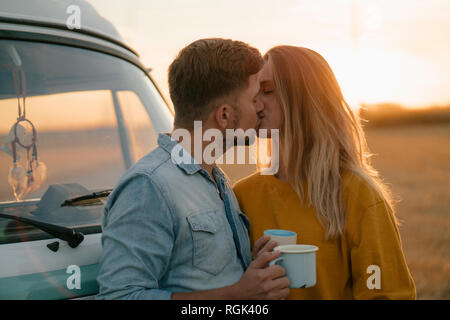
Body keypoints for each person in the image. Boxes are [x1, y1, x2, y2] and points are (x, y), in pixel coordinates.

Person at [96, 38, 290, 300]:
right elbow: (119, 297)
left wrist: (246, 263)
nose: (260, 107)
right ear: (224, 116)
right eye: (254, 98)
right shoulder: (149, 186)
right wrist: (236, 294)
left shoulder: (215, 179)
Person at [233, 45, 416, 299]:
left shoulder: (359, 196)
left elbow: (386, 294)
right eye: (253, 92)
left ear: (305, 98)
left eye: (268, 91)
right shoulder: (241, 195)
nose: (255, 103)